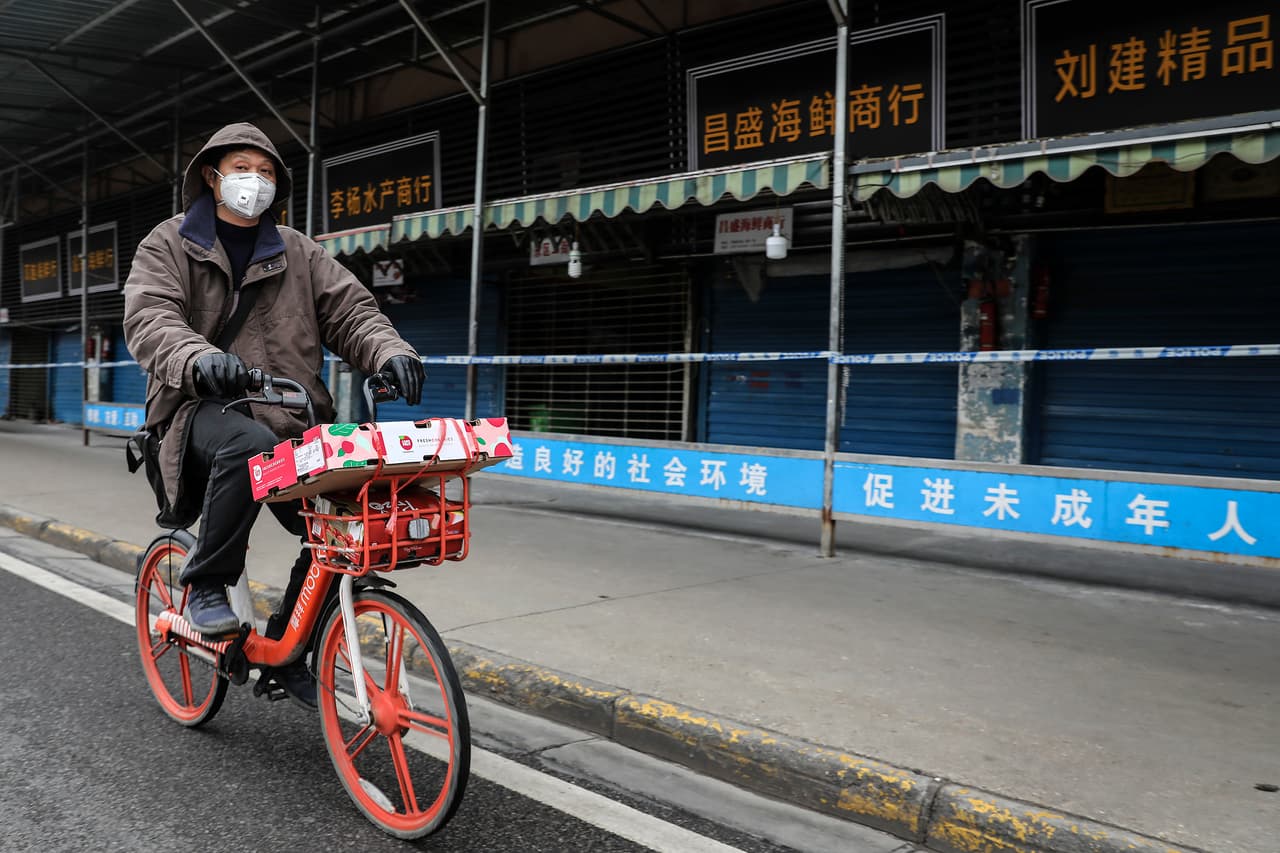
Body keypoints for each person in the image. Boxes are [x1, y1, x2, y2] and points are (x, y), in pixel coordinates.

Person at [123, 122, 424, 707]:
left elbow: (352, 312)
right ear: (212, 176)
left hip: (292, 420)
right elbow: (150, 318)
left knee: (344, 521)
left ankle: (290, 651)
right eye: (242, 169)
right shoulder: (168, 243)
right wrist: (200, 359)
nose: (253, 182)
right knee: (249, 445)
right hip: (195, 413)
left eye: (265, 173)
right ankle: (206, 581)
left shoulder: (298, 251)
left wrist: (390, 352)